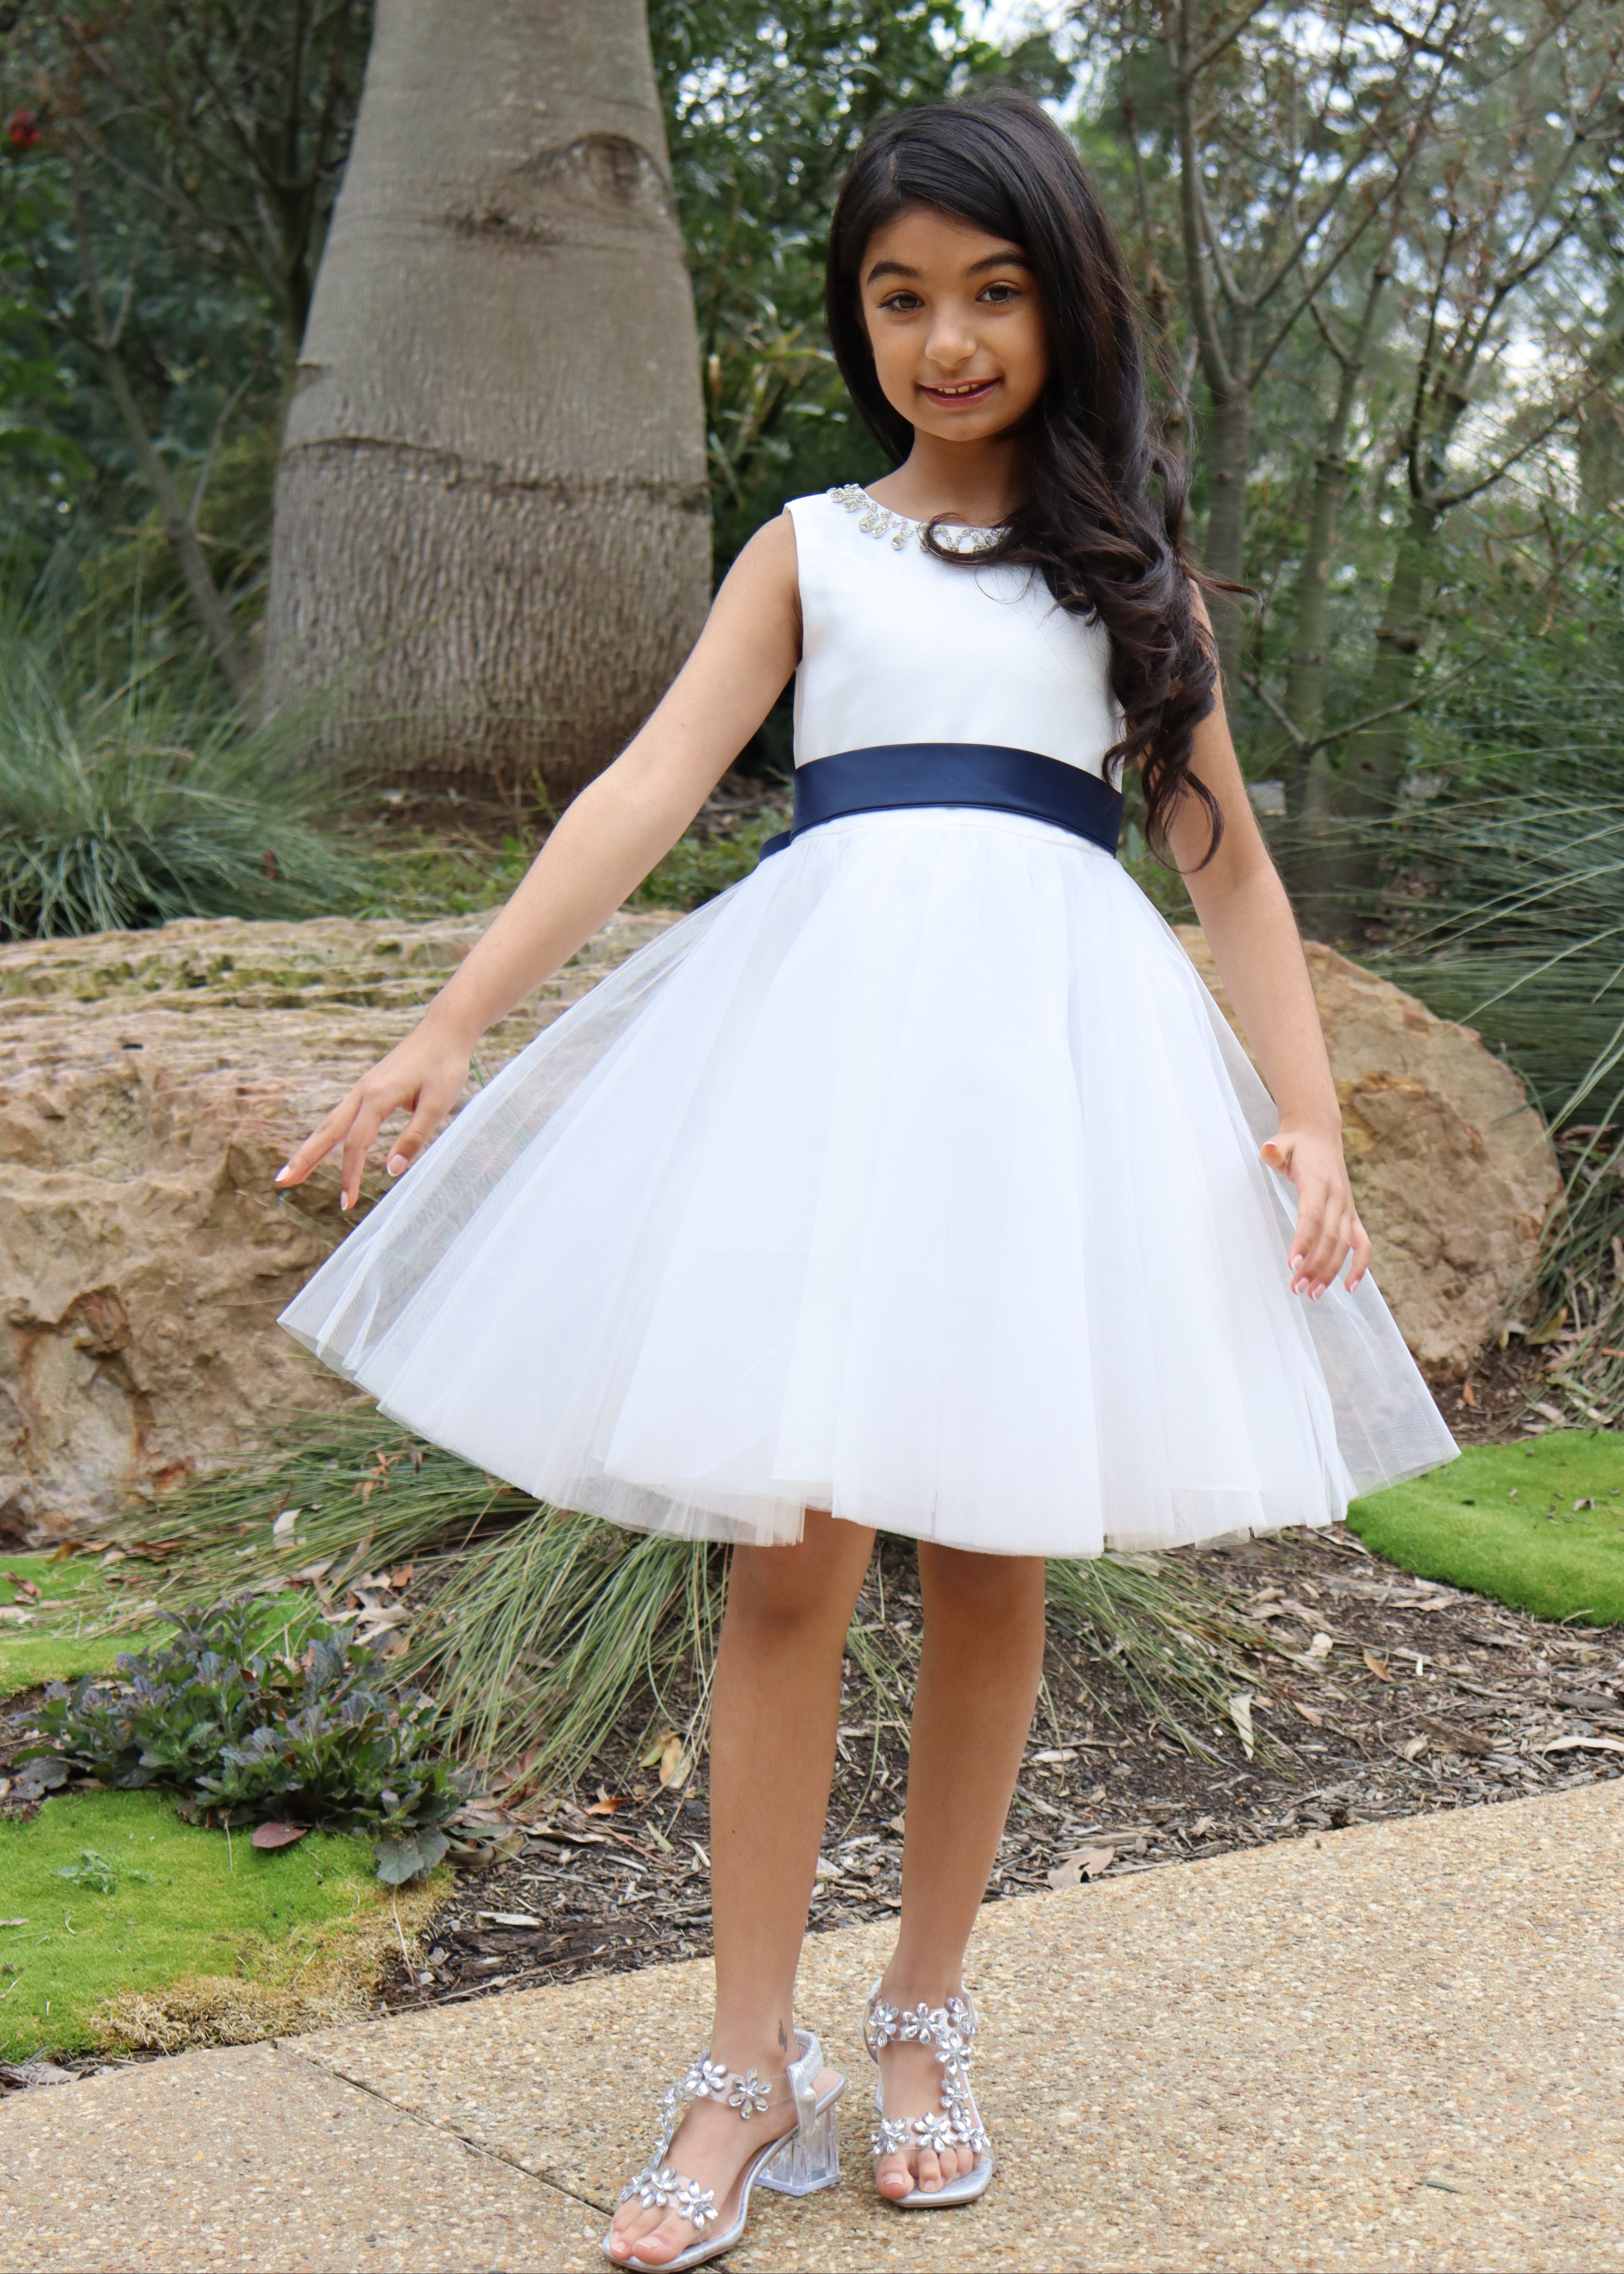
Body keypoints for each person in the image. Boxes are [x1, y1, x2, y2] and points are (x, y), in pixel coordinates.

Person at [273, 91, 1456, 2274]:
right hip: (824, 1081)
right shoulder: (812, 549)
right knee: (790, 1561)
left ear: (1063, 303)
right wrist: (451, 1024)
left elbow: (1229, 869)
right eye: (901, 298)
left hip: (1041, 1094)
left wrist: (1308, 1116)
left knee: (993, 1557)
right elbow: (648, 785)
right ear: (858, 319)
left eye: (993, 292)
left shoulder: (1128, 580)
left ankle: (924, 2015)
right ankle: (744, 2063)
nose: (949, 339)